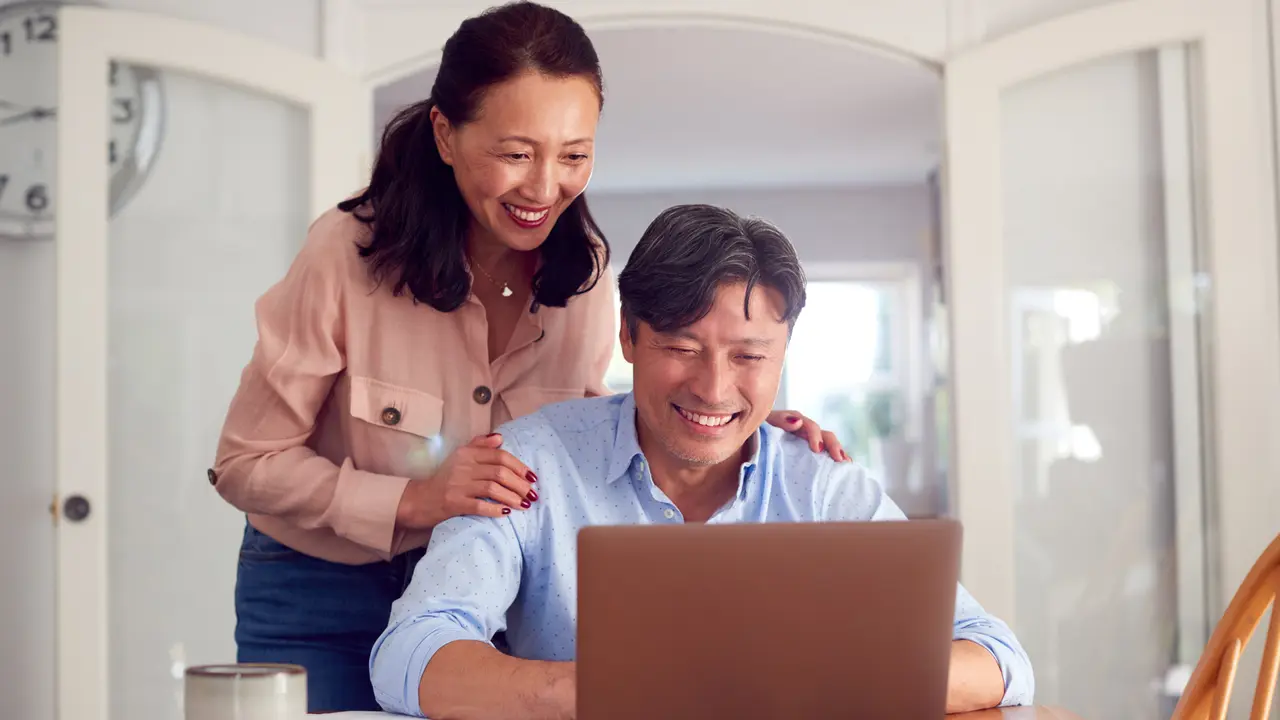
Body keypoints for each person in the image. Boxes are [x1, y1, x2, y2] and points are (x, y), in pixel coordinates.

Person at [210, 3, 842, 713]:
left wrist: (734, 428)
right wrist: (417, 499)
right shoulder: (345, 255)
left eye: (574, 155)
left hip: (493, 588)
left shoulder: (584, 274)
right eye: (516, 154)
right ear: (446, 134)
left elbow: (585, 435)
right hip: (320, 586)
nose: (546, 188)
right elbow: (246, 463)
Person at [369, 204, 1036, 718]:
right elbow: (408, 652)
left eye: (749, 357)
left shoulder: (824, 486)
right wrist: (601, 694)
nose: (714, 390)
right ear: (628, 334)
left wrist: (819, 683)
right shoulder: (530, 461)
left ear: (782, 355)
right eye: (683, 348)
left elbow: (1002, 659)